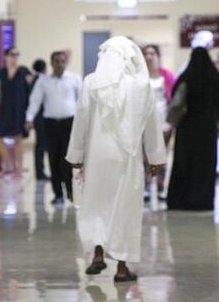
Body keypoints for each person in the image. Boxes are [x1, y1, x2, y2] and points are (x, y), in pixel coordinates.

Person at [66, 36, 165, 283]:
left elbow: (81, 120)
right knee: (126, 208)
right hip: (128, 157)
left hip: (96, 156)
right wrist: (155, 157)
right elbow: (151, 124)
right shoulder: (142, 84)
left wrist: (76, 156)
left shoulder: (91, 83)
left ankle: (97, 255)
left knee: (97, 203)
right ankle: (122, 268)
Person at [166, 47, 219, 211]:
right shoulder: (214, 79)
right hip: (208, 128)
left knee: (185, 162)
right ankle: (203, 200)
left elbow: (176, 100)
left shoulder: (186, 77)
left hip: (187, 128)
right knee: (205, 165)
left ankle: (181, 200)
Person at [26, 51, 82, 204]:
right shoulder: (44, 81)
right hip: (50, 124)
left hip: (70, 124)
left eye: (62, 61)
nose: (59, 64)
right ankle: (58, 194)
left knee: (68, 159)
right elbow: (35, 101)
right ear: (51, 63)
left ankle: (71, 191)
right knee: (53, 158)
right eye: (56, 61)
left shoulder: (75, 79)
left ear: (66, 63)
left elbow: (83, 102)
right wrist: (29, 119)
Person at [141, 44, 175, 199]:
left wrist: (172, 122)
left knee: (161, 156)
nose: (149, 56)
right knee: (146, 158)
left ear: (158, 56)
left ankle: (161, 188)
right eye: (146, 53)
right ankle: (146, 188)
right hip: (145, 124)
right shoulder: (139, 77)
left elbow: (174, 100)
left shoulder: (167, 76)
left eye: (152, 53)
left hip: (164, 123)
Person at [0, 48, 32, 175]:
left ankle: (19, 168)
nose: (14, 57)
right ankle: (7, 166)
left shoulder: (24, 71)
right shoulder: (1, 73)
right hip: (5, 109)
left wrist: (31, 113)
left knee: (17, 138)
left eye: (17, 55)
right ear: (6, 56)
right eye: (12, 54)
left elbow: (32, 91)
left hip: (20, 109)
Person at [30, 59, 49, 181]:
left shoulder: (33, 80)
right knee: (41, 145)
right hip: (41, 117)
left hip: (38, 116)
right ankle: (40, 172)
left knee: (40, 144)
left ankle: (40, 171)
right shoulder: (42, 81)